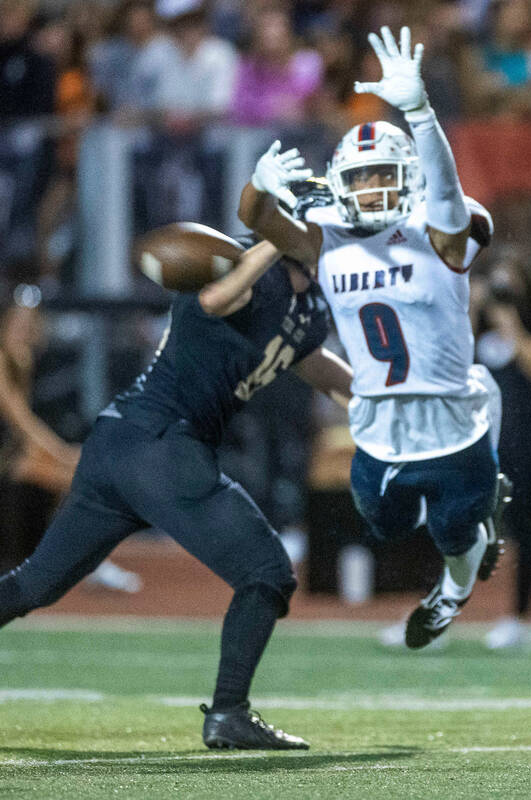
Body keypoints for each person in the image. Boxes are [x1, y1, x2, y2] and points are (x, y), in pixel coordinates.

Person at [0, 204, 353, 749]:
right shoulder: (234, 263)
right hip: (163, 446)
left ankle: (231, 713)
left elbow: (314, 364)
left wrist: (390, 403)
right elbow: (217, 298)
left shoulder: (308, 305)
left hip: (121, 444)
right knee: (267, 572)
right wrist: (273, 241)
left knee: (36, 584)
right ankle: (229, 712)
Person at [239, 25, 505, 651]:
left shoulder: (438, 230)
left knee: (456, 531)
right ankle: (460, 545)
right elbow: (255, 220)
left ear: (409, 176)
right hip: (376, 418)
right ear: (340, 182)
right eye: (359, 178)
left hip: (449, 418)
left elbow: (444, 195)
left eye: (384, 175)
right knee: (383, 523)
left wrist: (419, 110)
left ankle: (452, 593)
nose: (372, 188)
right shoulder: (325, 232)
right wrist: (258, 183)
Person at [0, 287, 142, 591]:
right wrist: (61, 453)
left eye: (30, 322)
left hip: (12, 456)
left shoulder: (22, 361)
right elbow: (20, 422)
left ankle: (79, 560)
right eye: (18, 322)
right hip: (8, 459)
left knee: (78, 472)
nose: (24, 329)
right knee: (76, 472)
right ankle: (83, 562)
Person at [471, 248, 531, 651]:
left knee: (521, 532)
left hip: (523, 448)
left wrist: (512, 325)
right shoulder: (473, 337)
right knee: (448, 526)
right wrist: (475, 304)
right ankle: (434, 611)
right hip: (473, 447)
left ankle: (519, 618)